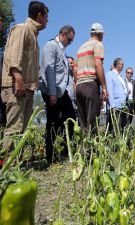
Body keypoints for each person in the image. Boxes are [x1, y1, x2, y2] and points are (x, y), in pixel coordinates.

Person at [0, 1, 48, 162]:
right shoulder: (22, 29)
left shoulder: (33, 35)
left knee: (22, 129)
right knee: (14, 128)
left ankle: (16, 166)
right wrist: (19, 80)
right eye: (46, 16)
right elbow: (14, 56)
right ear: (40, 15)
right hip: (17, 86)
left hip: (27, 88)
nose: (47, 20)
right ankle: (7, 169)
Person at [39, 25, 76, 164]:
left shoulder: (62, 51)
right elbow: (49, 70)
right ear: (62, 34)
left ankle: (65, 150)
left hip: (61, 91)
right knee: (52, 122)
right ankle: (50, 155)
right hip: (51, 91)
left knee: (71, 118)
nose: (70, 42)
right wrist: (52, 93)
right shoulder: (51, 46)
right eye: (69, 39)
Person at [75, 23, 108, 133]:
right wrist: (104, 87)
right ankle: (92, 150)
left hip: (79, 86)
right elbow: (98, 64)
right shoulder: (98, 44)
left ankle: (83, 149)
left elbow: (75, 70)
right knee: (93, 122)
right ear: (100, 34)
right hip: (90, 85)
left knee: (83, 124)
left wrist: (77, 85)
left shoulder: (81, 47)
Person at [105, 58, 127, 132]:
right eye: (122, 64)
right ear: (117, 64)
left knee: (121, 128)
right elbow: (109, 90)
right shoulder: (109, 75)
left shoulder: (120, 77)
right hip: (115, 106)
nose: (123, 66)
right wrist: (113, 106)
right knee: (114, 128)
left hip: (122, 106)